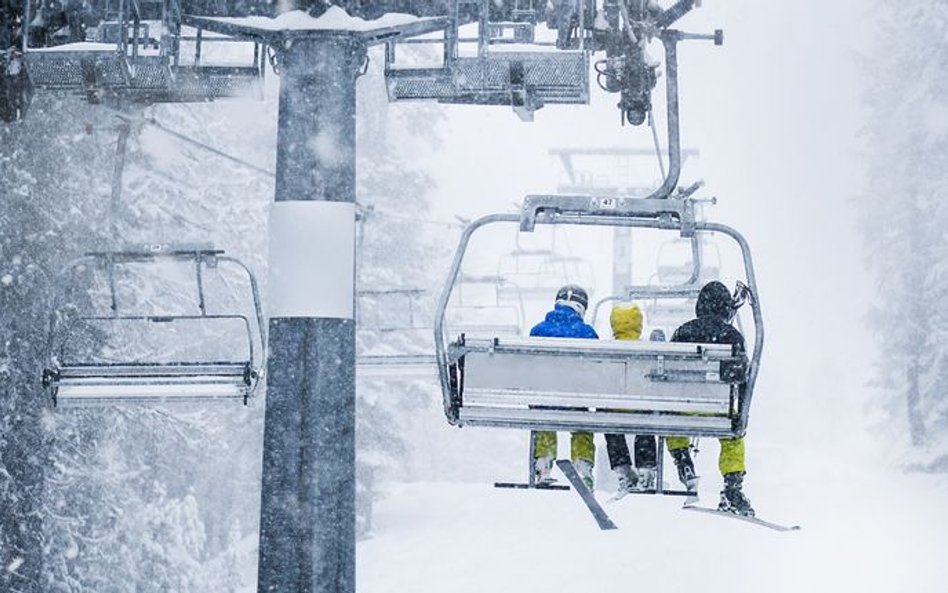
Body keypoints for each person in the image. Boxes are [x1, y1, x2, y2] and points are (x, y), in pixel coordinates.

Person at [667, 280, 754, 516]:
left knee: (672, 420)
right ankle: (732, 486)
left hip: (684, 408)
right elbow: (740, 377)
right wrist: (741, 413)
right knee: (733, 437)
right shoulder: (732, 336)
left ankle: (683, 459)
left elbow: (668, 372)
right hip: (719, 410)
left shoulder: (682, 332)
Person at [529, 284, 598, 489]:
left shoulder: (538, 330)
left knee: (543, 416)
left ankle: (543, 465)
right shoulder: (587, 333)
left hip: (546, 399)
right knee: (583, 424)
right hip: (576, 400)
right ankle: (583, 467)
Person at [603, 303, 661, 495]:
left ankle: (623, 470)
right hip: (641, 408)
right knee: (646, 422)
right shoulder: (649, 350)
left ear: (613, 325)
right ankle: (646, 469)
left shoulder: (604, 351)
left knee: (609, 422)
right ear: (639, 325)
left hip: (613, 410)